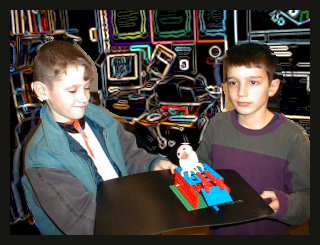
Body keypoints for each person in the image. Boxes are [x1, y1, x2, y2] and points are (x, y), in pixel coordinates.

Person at [22, 40, 177, 235]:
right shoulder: (41, 158)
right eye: (72, 90)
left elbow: (129, 156)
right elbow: (83, 222)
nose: (84, 97)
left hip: (128, 212)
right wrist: (142, 217)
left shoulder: (98, 117)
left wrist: (153, 164)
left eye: (86, 87)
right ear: (42, 91)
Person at [195, 42, 310, 235]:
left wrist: (284, 204)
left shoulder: (293, 137)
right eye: (233, 82)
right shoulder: (217, 125)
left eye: (253, 82)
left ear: (272, 87)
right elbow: (201, 170)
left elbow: (308, 197)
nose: (241, 92)